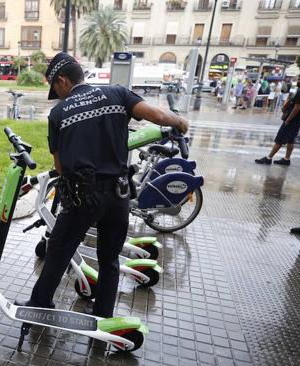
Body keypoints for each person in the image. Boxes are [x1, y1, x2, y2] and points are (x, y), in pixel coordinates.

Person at [17, 53, 189, 318]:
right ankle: (103, 316)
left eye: (56, 89)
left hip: (81, 198)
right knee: (109, 260)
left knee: (59, 252)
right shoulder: (117, 94)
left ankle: (40, 303)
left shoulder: (59, 113)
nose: (58, 95)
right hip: (118, 194)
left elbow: (60, 167)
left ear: (62, 80)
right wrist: (179, 122)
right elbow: (155, 114)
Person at [255, 75, 300, 166]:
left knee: (280, 139)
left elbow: (297, 107)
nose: (299, 81)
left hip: (293, 121)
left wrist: (288, 119)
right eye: (298, 79)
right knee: (290, 140)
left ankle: (269, 158)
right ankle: (287, 159)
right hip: (297, 121)